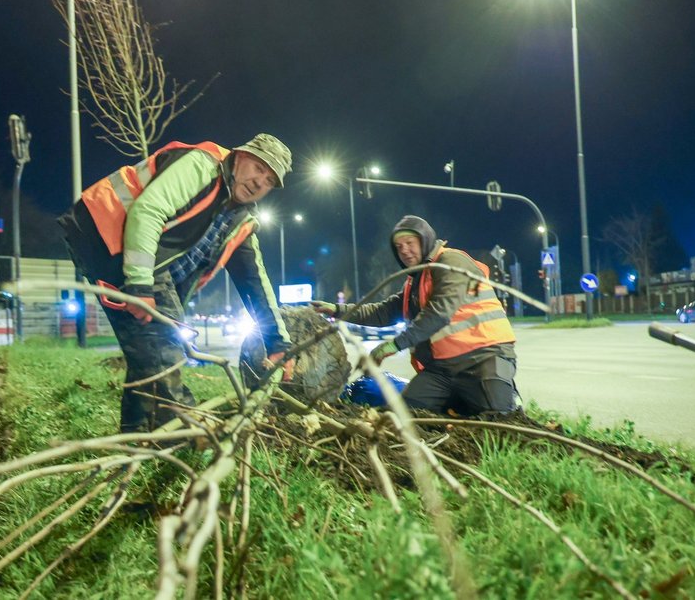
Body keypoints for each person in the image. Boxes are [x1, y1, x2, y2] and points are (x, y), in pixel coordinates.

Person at [58, 134, 294, 432]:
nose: (260, 182)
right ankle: (188, 437)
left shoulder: (241, 220)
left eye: (270, 180)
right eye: (258, 168)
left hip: (145, 262)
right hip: (109, 237)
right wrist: (140, 285)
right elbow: (148, 211)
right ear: (240, 157)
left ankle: (138, 438)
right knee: (163, 347)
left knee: (147, 354)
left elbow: (255, 281)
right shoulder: (202, 165)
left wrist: (278, 342)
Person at [312, 215, 520, 417]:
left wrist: (392, 346)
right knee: (406, 415)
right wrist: (338, 310)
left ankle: (501, 398)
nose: (404, 250)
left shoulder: (450, 262)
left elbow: (439, 313)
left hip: (484, 358)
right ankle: (460, 404)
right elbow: (382, 311)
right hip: (442, 370)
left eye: (409, 242)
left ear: (425, 240)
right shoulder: (415, 282)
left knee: (497, 414)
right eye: (399, 247)